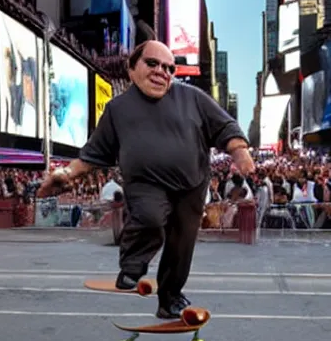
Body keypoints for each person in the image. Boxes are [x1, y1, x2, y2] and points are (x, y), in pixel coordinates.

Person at [37, 40, 255, 318]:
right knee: (150, 218)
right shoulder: (117, 109)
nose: (161, 71)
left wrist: (239, 150)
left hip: (192, 184)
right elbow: (94, 153)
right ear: (131, 68)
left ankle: (170, 298)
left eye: (169, 67)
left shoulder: (192, 97)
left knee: (181, 245)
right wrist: (66, 173)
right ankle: (132, 266)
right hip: (145, 183)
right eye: (152, 63)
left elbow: (224, 125)